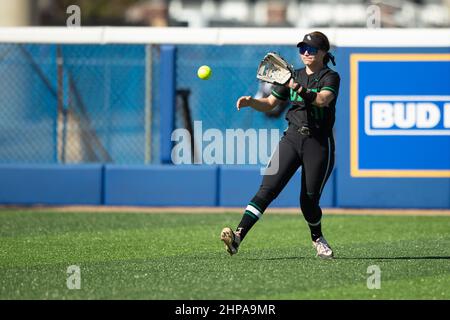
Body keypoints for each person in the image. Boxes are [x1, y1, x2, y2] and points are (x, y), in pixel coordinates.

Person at [220, 31, 340, 259]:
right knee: (267, 189)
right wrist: (251, 102)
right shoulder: (292, 75)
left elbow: (323, 100)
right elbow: (271, 104)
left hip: (318, 144)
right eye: (302, 48)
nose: (305, 52)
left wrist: (296, 87)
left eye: (311, 49)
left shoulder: (330, 77)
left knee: (308, 200)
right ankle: (237, 237)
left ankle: (317, 238)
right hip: (292, 138)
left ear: (323, 52)